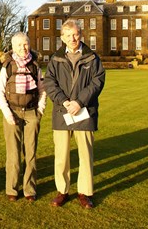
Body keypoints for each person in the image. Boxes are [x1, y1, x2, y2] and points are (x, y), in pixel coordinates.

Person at [44, 19, 105, 209]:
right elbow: (49, 83)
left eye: (76, 34)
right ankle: (62, 191)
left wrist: (79, 102)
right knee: (61, 156)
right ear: (62, 38)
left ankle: (84, 192)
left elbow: (97, 82)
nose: (73, 38)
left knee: (86, 155)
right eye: (68, 35)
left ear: (81, 35)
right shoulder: (55, 59)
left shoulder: (92, 58)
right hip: (62, 111)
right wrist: (64, 101)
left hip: (85, 112)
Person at [0, 32, 46, 202]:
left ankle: (29, 189)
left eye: (25, 44)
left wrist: (40, 111)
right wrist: (8, 114)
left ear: (29, 45)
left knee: (30, 153)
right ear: (13, 47)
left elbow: (42, 90)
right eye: (19, 45)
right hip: (12, 113)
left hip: (32, 112)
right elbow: (0, 93)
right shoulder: (8, 66)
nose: (23, 48)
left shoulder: (34, 66)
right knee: (13, 153)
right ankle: (12, 189)